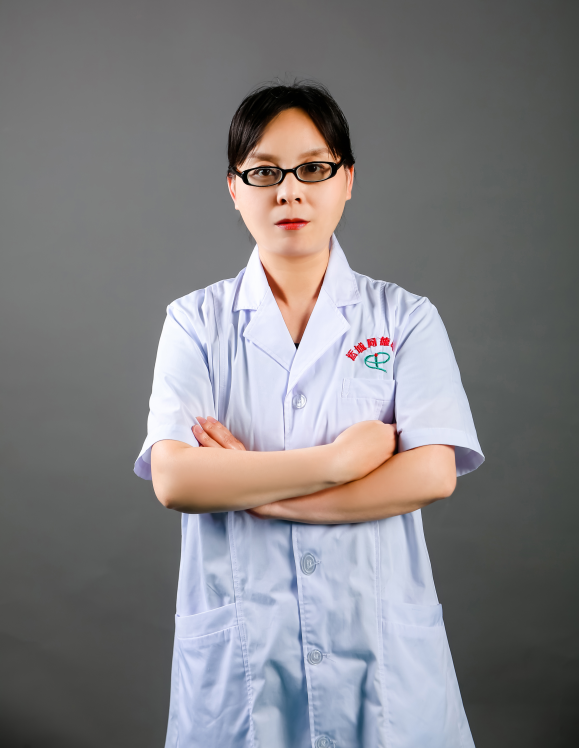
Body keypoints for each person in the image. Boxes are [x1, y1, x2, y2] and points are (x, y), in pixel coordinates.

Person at [135, 81, 484, 748]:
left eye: (313, 169)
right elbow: (176, 480)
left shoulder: (405, 319)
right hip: (245, 656)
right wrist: (337, 462)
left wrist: (262, 496)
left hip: (377, 653)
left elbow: (432, 473)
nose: (288, 192)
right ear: (234, 188)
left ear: (346, 180)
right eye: (264, 172)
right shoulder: (195, 323)